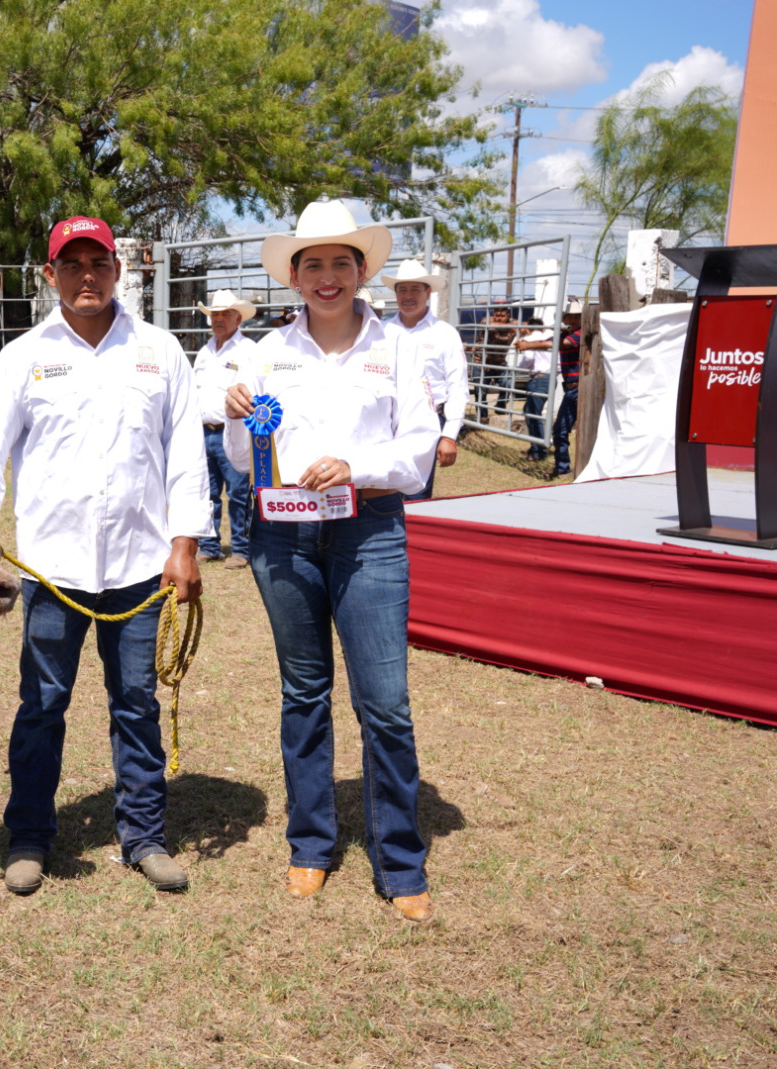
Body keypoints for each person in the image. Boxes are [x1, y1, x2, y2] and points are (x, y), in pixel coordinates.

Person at [0, 215, 208, 896]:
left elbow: (187, 454)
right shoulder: (23, 356)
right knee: (41, 703)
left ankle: (144, 835)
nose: (86, 276)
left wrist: (185, 544)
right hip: (53, 567)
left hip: (139, 565)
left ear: (118, 269)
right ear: (50, 276)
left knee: (136, 701)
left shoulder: (160, 352)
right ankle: (30, 835)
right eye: (71, 265)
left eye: (97, 262)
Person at [222, 199, 439, 922]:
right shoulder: (264, 353)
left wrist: (357, 465)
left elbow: (417, 451)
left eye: (340, 262)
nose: (326, 276)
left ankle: (400, 858)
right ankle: (311, 844)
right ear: (293, 275)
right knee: (304, 692)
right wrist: (235, 418)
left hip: (368, 529)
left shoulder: (398, 349)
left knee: (385, 702)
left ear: (361, 270)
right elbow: (241, 459)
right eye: (312, 263)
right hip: (283, 536)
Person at [381, 259, 468, 500]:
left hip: (428, 421)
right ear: (395, 293)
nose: (408, 296)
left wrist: (449, 435)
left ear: (427, 292)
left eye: (415, 289)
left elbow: (457, 386)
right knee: (381, 489)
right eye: (402, 289)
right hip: (386, 421)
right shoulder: (381, 332)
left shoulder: (445, 334)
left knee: (415, 493)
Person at [193, 289, 257, 566]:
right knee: (207, 493)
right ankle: (210, 544)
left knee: (238, 493)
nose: (219, 319)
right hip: (203, 430)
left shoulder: (249, 351)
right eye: (215, 314)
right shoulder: (205, 351)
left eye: (225, 314)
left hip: (233, 432)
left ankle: (242, 549)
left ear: (238, 318)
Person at [513, 318, 555, 459]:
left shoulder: (530, 339)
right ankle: (537, 448)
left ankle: (539, 451)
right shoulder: (548, 338)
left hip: (538, 378)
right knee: (532, 414)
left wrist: (518, 369)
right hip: (550, 378)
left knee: (533, 415)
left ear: (528, 328)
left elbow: (528, 359)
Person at [551, 300, 584, 476]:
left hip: (581, 388)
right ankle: (562, 468)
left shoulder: (580, 333)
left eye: (576, 316)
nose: (572, 319)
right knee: (559, 431)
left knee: (585, 431)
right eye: (569, 316)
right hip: (571, 389)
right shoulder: (565, 334)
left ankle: (577, 467)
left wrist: (529, 344)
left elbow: (561, 344)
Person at [474, 305, 516, 423]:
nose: (498, 318)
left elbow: (522, 326)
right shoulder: (486, 322)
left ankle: (500, 406)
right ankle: (482, 416)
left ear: (508, 316)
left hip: (499, 362)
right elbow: (487, 328)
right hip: (481, 362)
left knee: (508, 383)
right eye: (496, 315)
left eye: (502, 316)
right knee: (481, 391)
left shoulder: (513, 324)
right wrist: (513, 326)